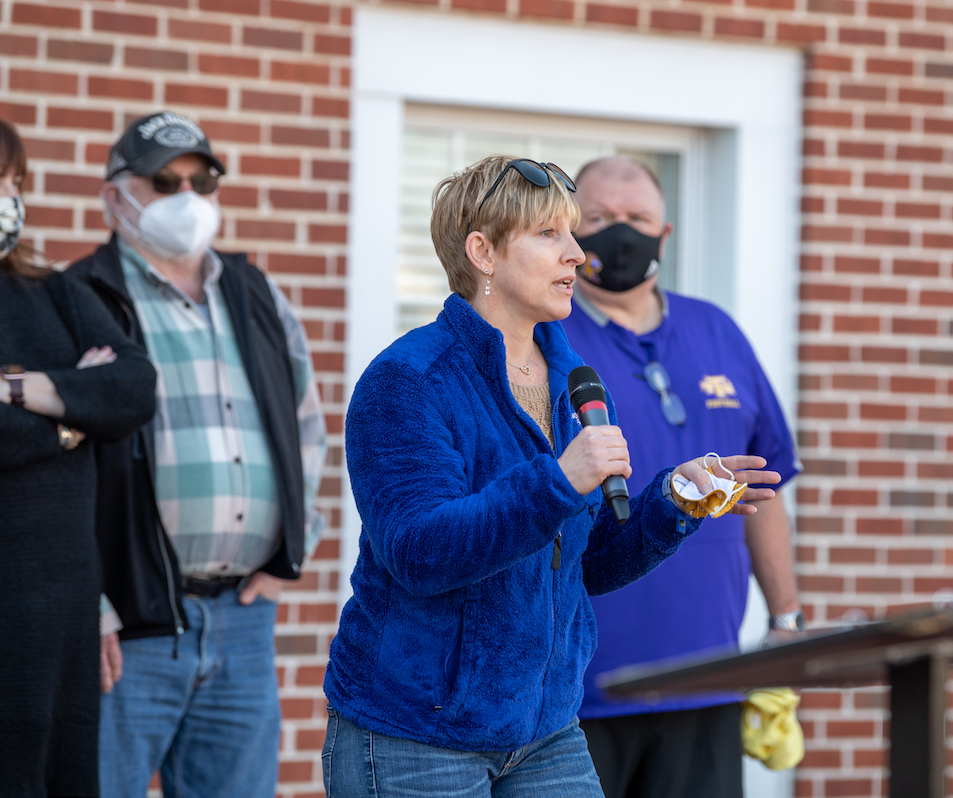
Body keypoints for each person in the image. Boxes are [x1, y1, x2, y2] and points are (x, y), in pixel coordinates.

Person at [322, 154, 782, 797]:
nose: (579, 254)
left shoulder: (575, 382)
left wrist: (673, 503)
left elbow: (589, 565)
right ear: (482, 251)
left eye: (572, 234)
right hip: (416, 733)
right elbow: (418, 553)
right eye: (550, 235)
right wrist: (556, 481)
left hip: (546, 730)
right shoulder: (410, 381)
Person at [66, 111, 327, 798]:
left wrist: (292, 547)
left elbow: (306, 427)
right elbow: (45, 475)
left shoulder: (255, 292)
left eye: (201, 178)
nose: (187, 195)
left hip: (243, 621)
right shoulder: (75, 298)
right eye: (164, 180)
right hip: (128, 628)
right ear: (115, 197)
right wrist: (84, 605)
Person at [558, 156, 803, 798]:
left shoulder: (717, 331)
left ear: (665, 233)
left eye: (637, 218)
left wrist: (785, 623)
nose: (620, 232)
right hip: (575, 692)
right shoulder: (545, 338)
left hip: (706, 678)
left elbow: (766, 489)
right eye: (599, 218)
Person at [0, 119, 157, 798]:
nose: (9, 196)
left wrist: (18, 391)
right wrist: (72, 419)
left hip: (63, 613)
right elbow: (97, 404)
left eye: (14, 182)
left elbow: (132, 387)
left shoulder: (54, 291)